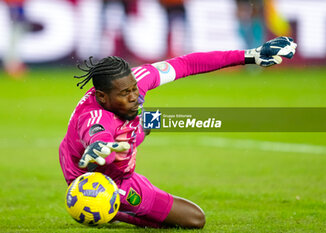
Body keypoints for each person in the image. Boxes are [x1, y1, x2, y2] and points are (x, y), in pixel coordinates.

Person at [59, 37, 297, 228]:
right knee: (195, 219)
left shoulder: (137, 81)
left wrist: (249, 56)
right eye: (124, 94)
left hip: (118, 159)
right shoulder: (94, 117)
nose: (134, 97)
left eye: (134, 89)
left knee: (163, 120)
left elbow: (187, 64)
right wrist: (100, 145)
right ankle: (111, 211)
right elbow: (98, 135)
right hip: (97, 179)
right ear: (102, 97)